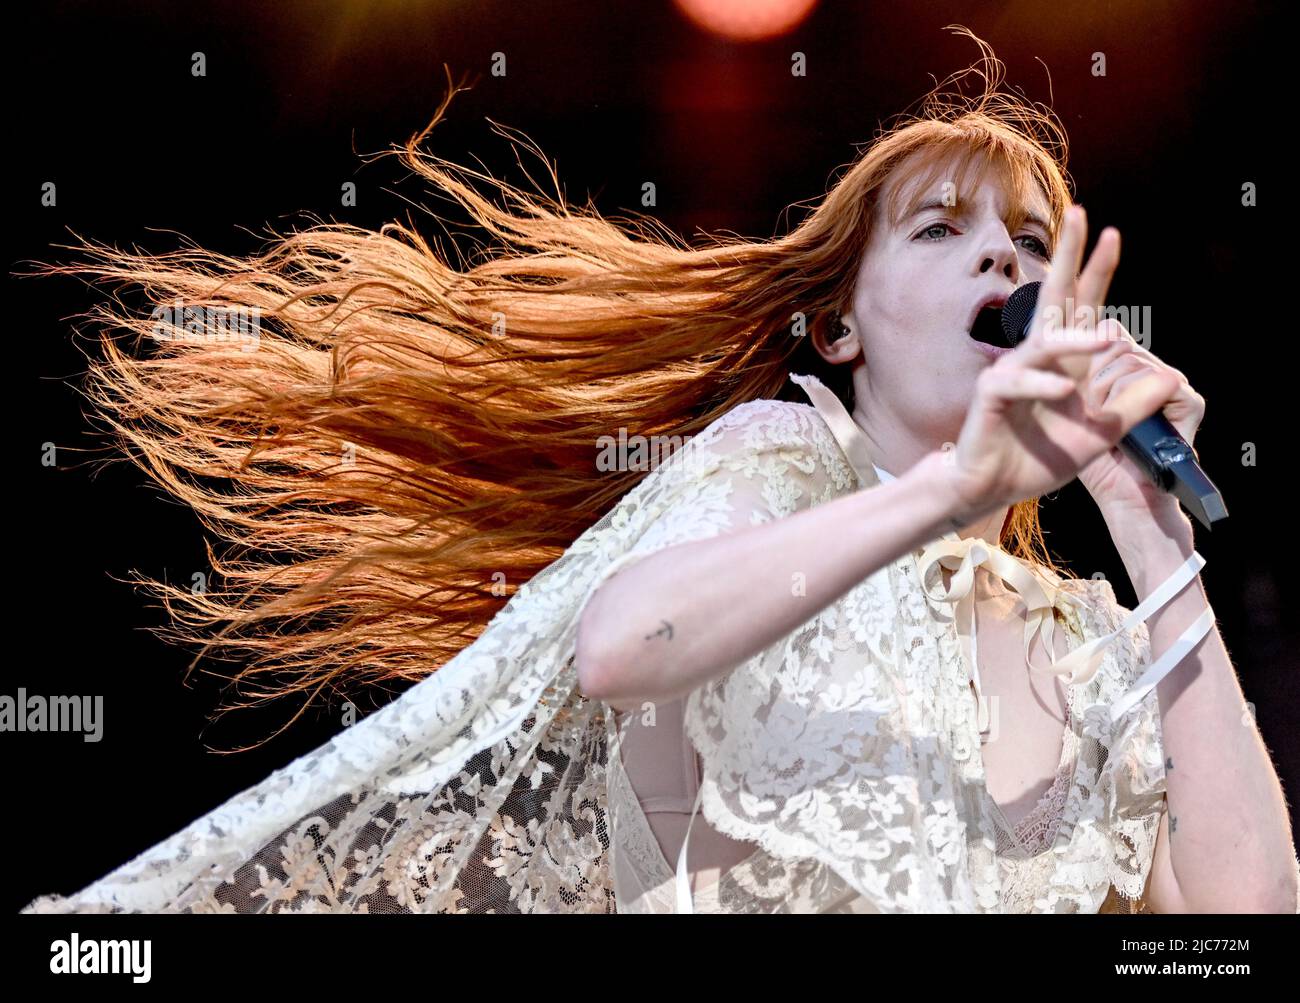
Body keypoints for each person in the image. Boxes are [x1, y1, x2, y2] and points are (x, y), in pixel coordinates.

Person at [20, 30, 1299, 914]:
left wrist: (1148, 534)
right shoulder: (775, 468)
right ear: (840, 327)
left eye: (1031, 242)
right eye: (941, 229)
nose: (1002, 266)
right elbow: (621, 644)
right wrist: (944, 493)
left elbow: (1234, 926)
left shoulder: (1083, 641)